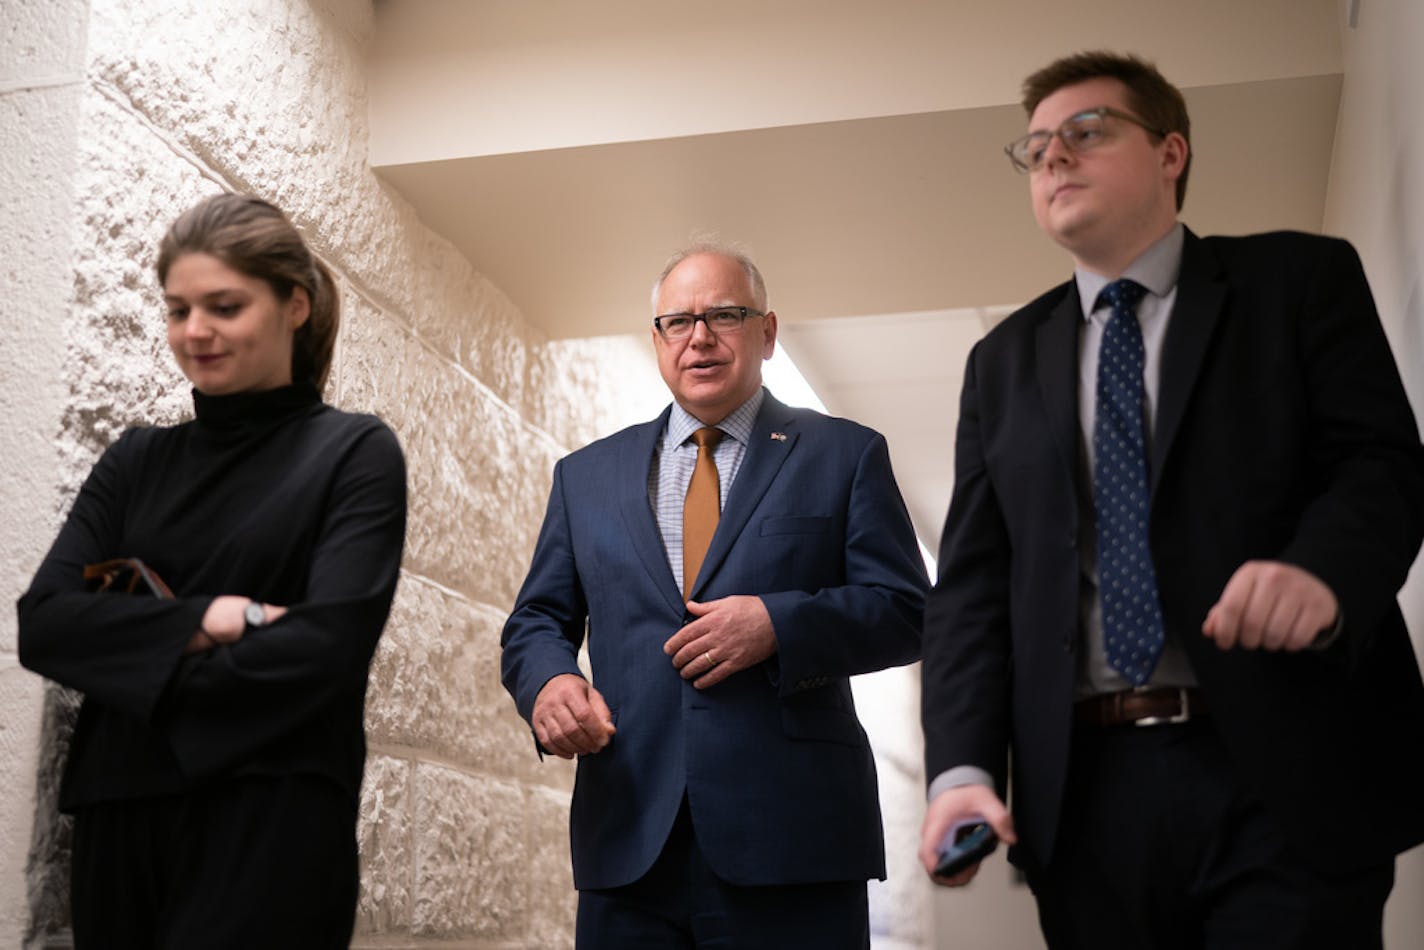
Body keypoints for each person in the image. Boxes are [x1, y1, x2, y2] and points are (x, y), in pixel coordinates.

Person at [918, 50, 1424, 949]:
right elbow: (971, 591)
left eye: (1086, 133)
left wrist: (1325, 574)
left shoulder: (1297, 284)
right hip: (1084, 796)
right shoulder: (1000, 365)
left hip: (1282, 766)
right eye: (1035, 150)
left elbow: (1382, 464)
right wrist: (960, 764)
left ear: (1170, 152)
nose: (1055, 160)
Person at [501, 242, 926, 948]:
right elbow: (536, 620)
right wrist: (549, 684)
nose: (699, 337)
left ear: (766, 332)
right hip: (630, 843)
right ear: (660, 339)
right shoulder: (586, 476)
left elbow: (907, 611)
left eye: (724, 315)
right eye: (678, 321)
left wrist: (778, 624)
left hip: (795, 846)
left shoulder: (845, 455)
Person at [18, 193, 407, 948]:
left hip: (273, 817)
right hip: (119, 819)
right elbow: (45, 625)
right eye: (178, 310)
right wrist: (213, 619)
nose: (195, 332)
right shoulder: (136, 461)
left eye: (224, 307)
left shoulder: (354, 453)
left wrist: (134, 667)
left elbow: (328, 644)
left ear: (294, 305)